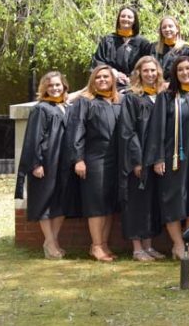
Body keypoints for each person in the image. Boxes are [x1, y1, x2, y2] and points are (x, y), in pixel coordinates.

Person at [143, 56, 189, 260]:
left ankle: (187, 246)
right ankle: (178, 246)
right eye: (181, 70)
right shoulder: (167, 97)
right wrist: (158, 158)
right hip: (174, 158)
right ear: (175, 74)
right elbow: (156, 129)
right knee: (173, 201)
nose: (185, 73)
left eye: (188, 68)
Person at [15, 71, 71, 259]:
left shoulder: (66, 107)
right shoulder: (42, 109)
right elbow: (33, 138)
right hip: (47, 162)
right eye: (50, 85)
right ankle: (50, 243)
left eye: (58, 85)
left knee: (61, 203)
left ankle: (51, 242)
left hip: (64, 163)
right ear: (44, 88)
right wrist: (36, 163)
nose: (55, 88)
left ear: (64, 86)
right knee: (46, 202)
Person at [69, 65, 122, 262]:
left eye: (106, 76)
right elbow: (77, 130)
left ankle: (104, 244)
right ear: (92, 81)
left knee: (109, 204)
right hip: (94, 158)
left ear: (113, 79)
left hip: (115, 159)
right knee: (96, 204)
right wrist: (79, 159)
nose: (102, 80)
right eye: (98, 77)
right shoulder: (86, 102)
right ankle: (96, 245)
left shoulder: (118, 101)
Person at [117, 57, 164, 261]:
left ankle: (148, 245)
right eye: (146, 71)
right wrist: (136, 161)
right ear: (138, 73)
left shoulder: (161, 97)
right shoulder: (131, 98)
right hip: (140, 158)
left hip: (157, 158)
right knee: (136, 202)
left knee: (151, 202)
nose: (150, 74)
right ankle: (137, 248)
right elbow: (128, 132)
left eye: (153, 71)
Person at [91, 6, 151, 89]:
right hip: (110, 83)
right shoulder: (108, 40)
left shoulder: (143, 43)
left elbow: (148, 64)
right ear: (119, 19)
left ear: (134, 21)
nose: (126, 19)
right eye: (123, 16)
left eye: (129, 17)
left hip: (135, 85)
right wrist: (114, 73)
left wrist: (133, 77)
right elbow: (98, 61)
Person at [151, 16, 189, 83]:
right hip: (155, 84)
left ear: (177, 29)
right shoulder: (154, 47)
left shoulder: (185, 49)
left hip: (176, 86)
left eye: (170, 26)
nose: (167, 29)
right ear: (161, 31)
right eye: (164, 27)